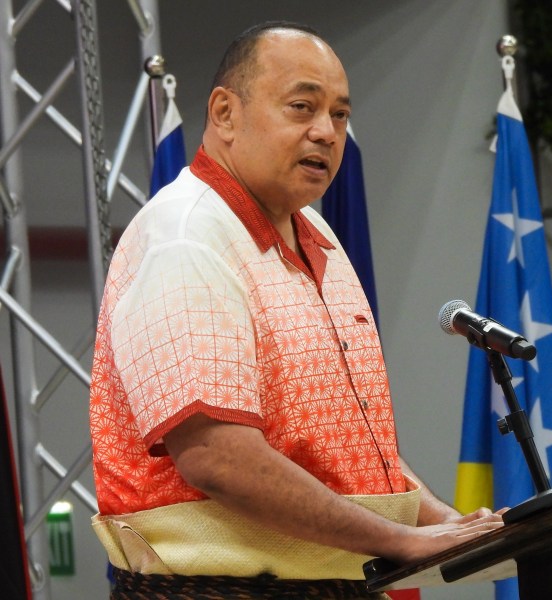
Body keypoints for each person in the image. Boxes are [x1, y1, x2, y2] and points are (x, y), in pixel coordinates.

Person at [89, 21, 504, 599]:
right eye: (302, 106)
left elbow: (347, 449)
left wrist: (443, 523)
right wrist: (399, 541)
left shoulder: (317, 233)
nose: (326, 132)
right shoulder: (187, 237)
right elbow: (218, 459)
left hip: (337, 581)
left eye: (339, 114)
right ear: (225, 113)